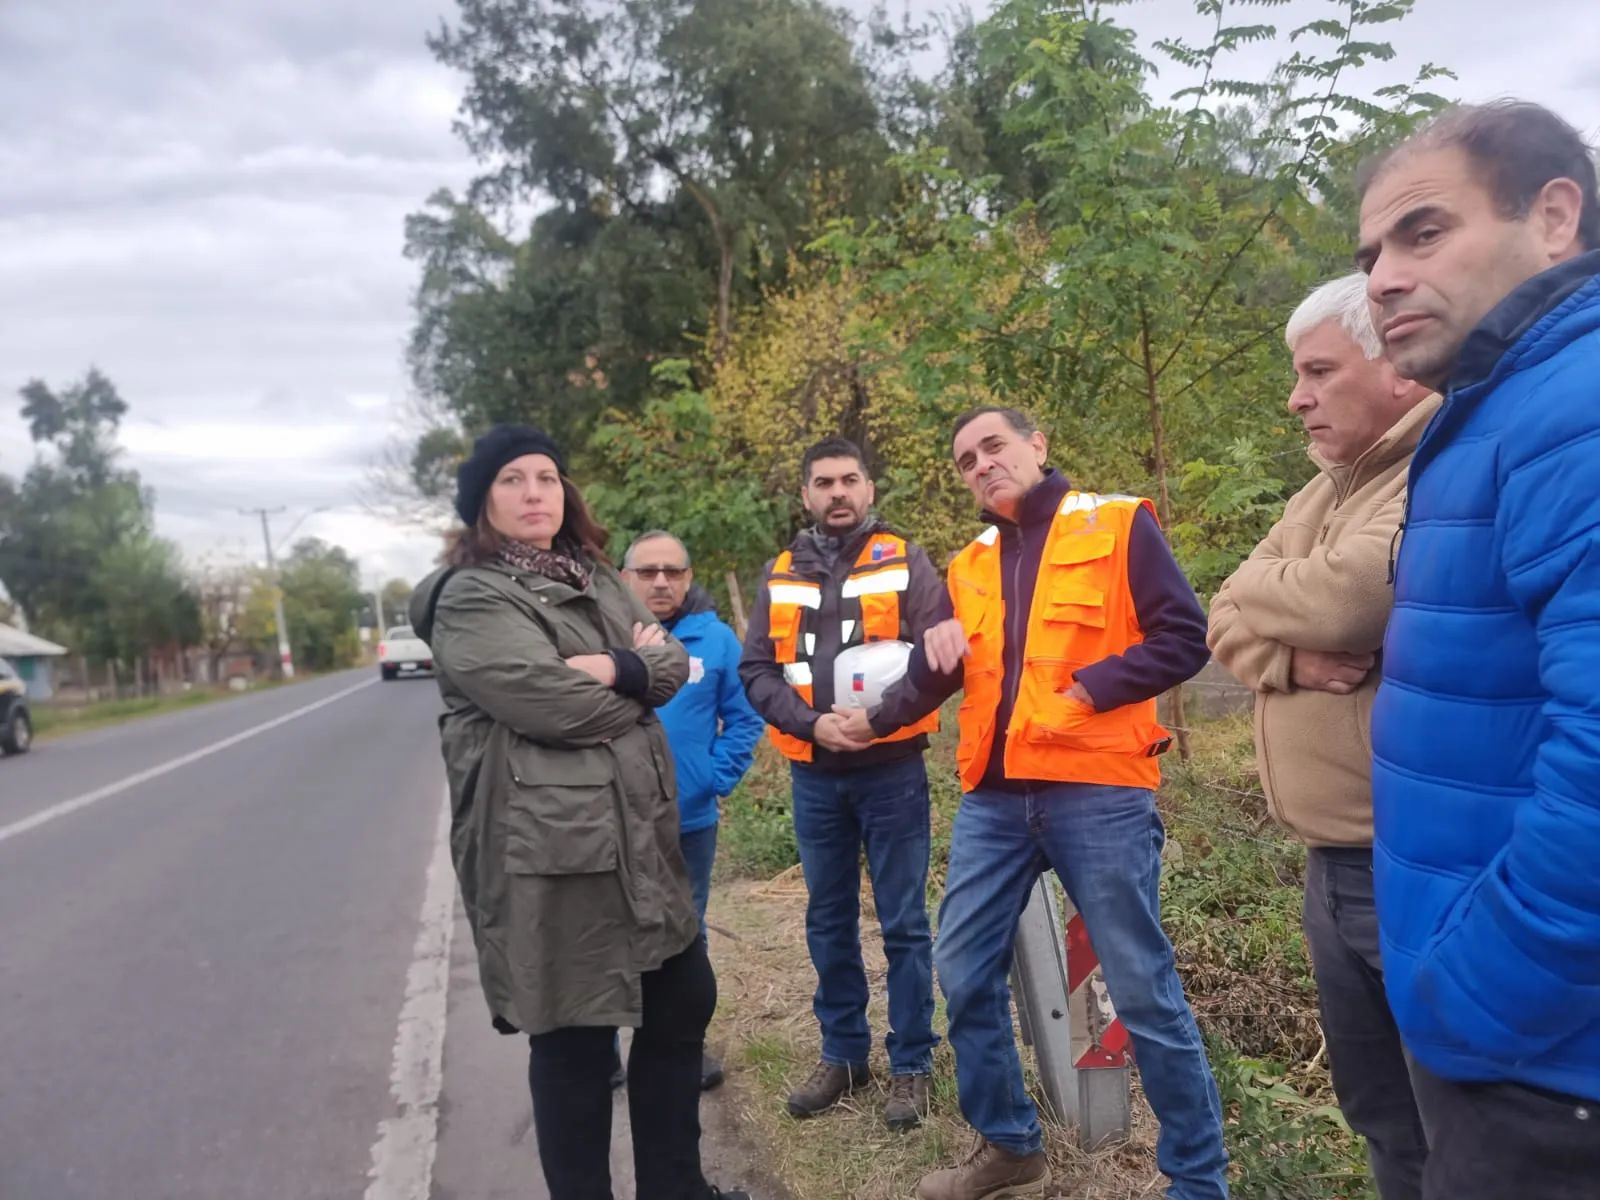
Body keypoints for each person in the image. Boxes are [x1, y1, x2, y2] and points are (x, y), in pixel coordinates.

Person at [853, 407, 1228, 1200]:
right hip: (995, 800)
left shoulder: (1118, 523)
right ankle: (1010, 1144)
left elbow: (1184, 638)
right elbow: (945, 675)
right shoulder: (970, 565)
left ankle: (1197, 1181)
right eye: (964, 460)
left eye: (994, 446)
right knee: (960, 966)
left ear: (1037, 445)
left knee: (1139, 988)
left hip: (1099, 791)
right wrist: (878, 712)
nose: (981, 464)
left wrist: (1089, 692)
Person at [1354, 100, 1600, 1197]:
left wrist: (1475, 992)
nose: (1382, 280)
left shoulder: (1574, 406)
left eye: (1422, 233)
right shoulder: (1499, 405)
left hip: (1543, 1061)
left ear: (1554, 218)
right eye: (1370, 255)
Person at [410, 424, 747, 1200]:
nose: (535, 493)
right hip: (552, 854)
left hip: (639, 838)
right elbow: (554, 705)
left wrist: (621, 667)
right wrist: (635, 682)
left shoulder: (596, 575)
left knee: (681, 1001)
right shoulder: (470, 598)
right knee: (576, 1044)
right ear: (481, 502)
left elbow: (673, 664)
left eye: (548, 477)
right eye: (513, 480)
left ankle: (675, 1189)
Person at [1207, 274, 1436, 1199]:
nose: (1295, 398)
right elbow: (1222, 606)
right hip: (1331, 867)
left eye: (1316, 372)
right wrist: (1291, 663)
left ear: (1394, 369)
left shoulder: (1434, 465)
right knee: (1381, 1111)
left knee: (1455, 1117)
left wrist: (1289, 598)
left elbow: (1347, 599)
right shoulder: (1323, 491)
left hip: (1412, 863)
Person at [738, 436, 944, 1131]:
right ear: (804, 495)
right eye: (823, 482)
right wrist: (812, 723)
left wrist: (879, 718)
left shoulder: (907, 560)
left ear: (869, 488)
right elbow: (756, 671)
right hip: (814, 775)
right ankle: (844, 1054)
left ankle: (912, 1063)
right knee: (827, 920)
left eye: (849, 480)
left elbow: (941, 659)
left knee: (905, 924)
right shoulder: (781, 572)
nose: (838, 493)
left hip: (892, 771)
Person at [622, 529, 765, 1091]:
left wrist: (714, 778)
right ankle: (610, 1046)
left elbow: (747, 717)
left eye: (674, 571)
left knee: (687, 932)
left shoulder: (717, 639)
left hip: (689, 819)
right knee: (611, 929)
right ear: (625, 577)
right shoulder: (602, 634)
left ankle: (685, 1045)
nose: (662, 581)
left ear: (688, 577)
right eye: (649, 570)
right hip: (616, 818)